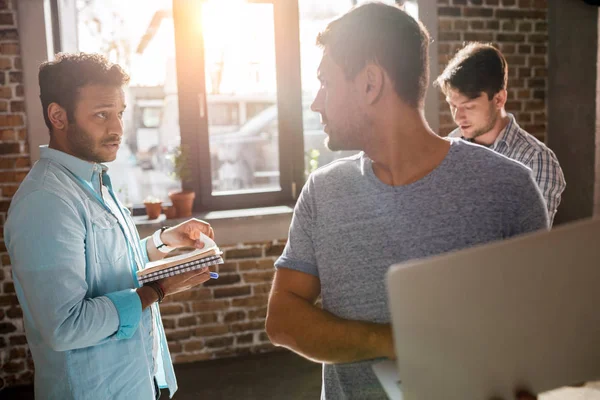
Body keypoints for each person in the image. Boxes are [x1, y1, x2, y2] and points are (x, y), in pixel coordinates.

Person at [265, 3, 548, 399]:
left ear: (370, 83)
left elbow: (543, 335)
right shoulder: (323, 191)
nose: (316, 102)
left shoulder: (509, 189)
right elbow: (282, 318)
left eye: (325, 82)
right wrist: (396, 341)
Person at [4, 53, 215, 399]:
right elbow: (64, 326)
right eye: (102, 115)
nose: (116, 128)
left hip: (131, 383)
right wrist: (156, 291)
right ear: (58, 116)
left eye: (119, 113)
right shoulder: (46, 201)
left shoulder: (92, 179)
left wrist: (165, 242)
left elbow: (107, 263)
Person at [435, 42, 566, 225]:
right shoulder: (448, 148)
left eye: (468, 107)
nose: (458, 118)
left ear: (499, 99)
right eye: (453, 106)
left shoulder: (536, 160)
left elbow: (529, 244)